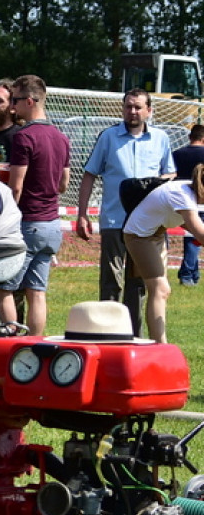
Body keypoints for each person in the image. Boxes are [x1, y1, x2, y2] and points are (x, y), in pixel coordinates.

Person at [75, 88, 175, 333]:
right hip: (114, 221)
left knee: (139, 285)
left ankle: (133, 337)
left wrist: (156, 182)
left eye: (138, 107)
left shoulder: (161, 139)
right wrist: (82, 213)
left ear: (149, 111)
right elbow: (89, 174)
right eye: (128, 106)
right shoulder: (108, 137)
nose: (132, 111)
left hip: (147, 226)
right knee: (111, 283)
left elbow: (171, 173)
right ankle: (106, 335)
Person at [0, 75, 70, 336]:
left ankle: (11, 344)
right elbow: (63, 185)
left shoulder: (24, 137)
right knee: (37, 292)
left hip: (28, 223)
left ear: (29, 101)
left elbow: (16, 186)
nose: (12, 107)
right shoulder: (61, 137)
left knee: (2, 288)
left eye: (15, 101)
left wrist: (2, 220)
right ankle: (35, 345)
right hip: (51, 225)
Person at [123, 165, 204, 342]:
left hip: (157, 233)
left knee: (160, 291)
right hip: (139, 236)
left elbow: (182, 221)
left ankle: (158, 343)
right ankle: (160, 345)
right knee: (160, 289)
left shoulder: (186, 190)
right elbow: (199, 232)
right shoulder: (182, 195)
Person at [174, 125, 204, 287]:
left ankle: (193, 273)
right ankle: (187, 274)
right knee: (194, 239)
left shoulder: (176, 154)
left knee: (192, 238)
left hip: (180, 201)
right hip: (199, 201)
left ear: (190, 137)